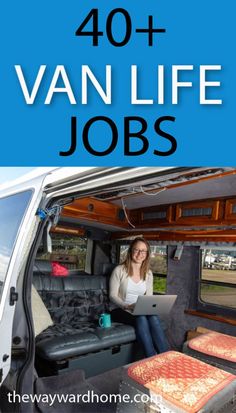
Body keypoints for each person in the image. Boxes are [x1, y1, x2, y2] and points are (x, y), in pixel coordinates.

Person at [109, 237, 169, 358]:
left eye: (143, 251)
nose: (140, 254)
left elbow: (149, 297)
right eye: (136, 250)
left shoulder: (148, 273)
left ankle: (165, 355)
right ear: (131, 251)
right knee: (141, 317)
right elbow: (112, 295)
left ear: (147, 254)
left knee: (152, 316)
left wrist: (148, 307)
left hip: (139, 309)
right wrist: (126, 306)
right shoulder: (119, 270)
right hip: (120, 309)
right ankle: (151, 356)